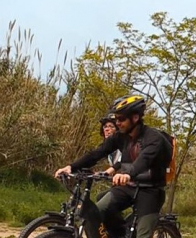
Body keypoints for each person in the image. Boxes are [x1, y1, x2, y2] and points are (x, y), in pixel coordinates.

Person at [53, 95, 172, 238]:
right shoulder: (120, 137)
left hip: (150, 191)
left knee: (143, 235)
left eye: (121, 119)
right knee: (97, 212)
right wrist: (71, 167)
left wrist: (128, 174)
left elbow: (144, 160)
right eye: (116, 119)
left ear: (135, 118)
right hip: (128, 187)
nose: (117, 123)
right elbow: (97, 153)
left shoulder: (154, 138)